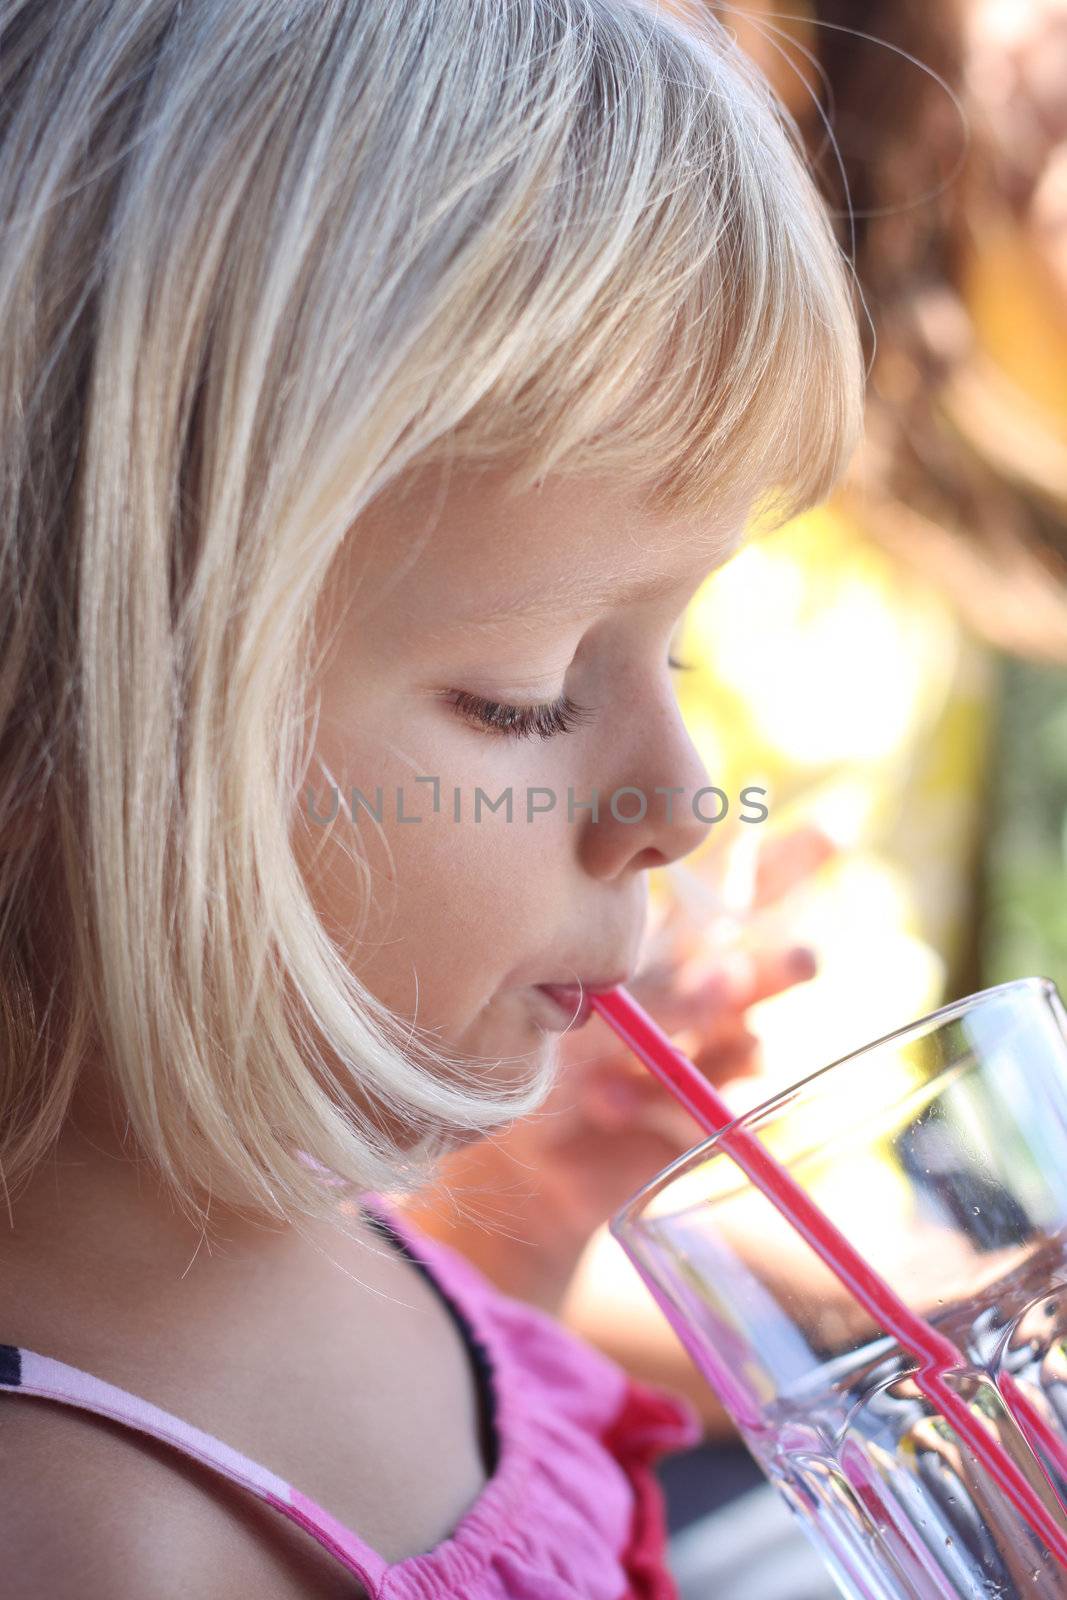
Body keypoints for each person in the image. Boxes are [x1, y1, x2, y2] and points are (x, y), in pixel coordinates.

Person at [0, 2, 864, 1597]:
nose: (681, 799)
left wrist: (524, 1219)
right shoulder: (94, 1541)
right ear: (64, 691)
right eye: (527, 687)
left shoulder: (320, 1226)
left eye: (678, 642)